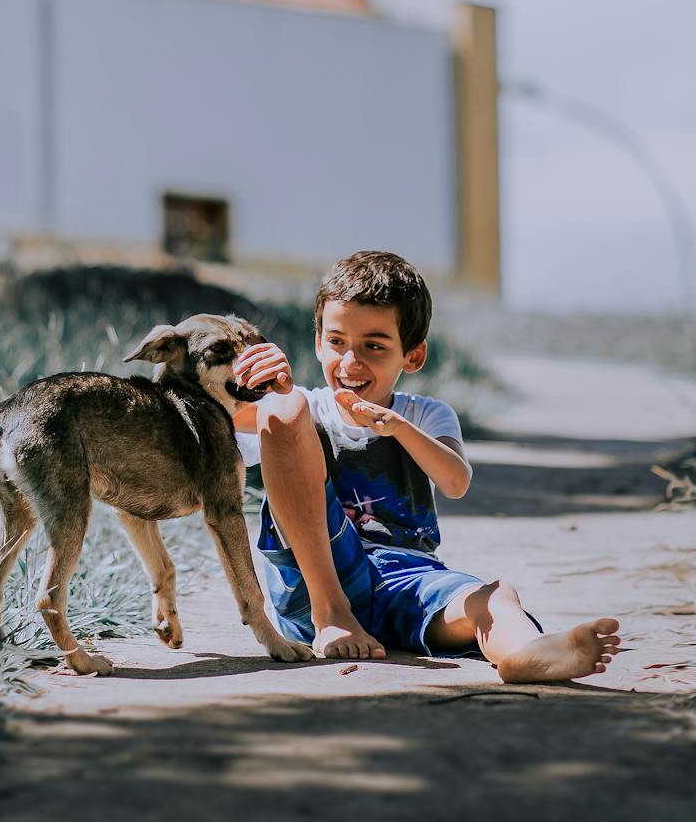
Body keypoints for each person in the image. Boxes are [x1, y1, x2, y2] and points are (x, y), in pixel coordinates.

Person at [231, 250, 621, 681]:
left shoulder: (426, 415)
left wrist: (397, 428)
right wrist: (265, 389)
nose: (350, 363)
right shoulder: (307, 407)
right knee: (284, 410)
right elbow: (227, 420)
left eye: (374, 346)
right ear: (319, 341)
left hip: (407, 580)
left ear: (413, 356)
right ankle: (333, 615)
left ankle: (526, 652)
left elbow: (455, 481)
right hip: (317, 580)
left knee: (493, 597)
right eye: (337, 342)